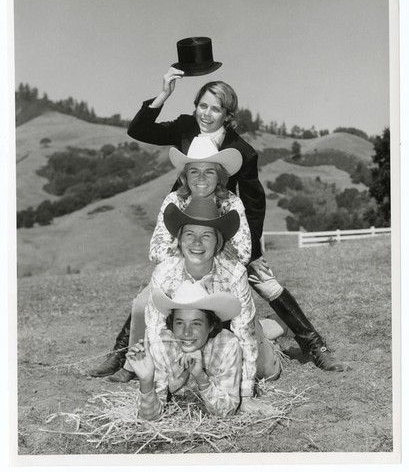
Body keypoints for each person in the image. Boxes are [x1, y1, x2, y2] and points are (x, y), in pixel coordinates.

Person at [89, 68, 345, 378]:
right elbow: (139, 130)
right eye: (203, 106)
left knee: (264, 280)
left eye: (216, 108)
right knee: (158, 284)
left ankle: (314, 346)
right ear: (195, 105)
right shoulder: (185, 127)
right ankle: (123, 354)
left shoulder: (242, 151)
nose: (207, 114)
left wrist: (254, 250)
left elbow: (254, 202)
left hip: (224, 222)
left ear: (228, 114)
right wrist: (164, 94)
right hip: (184, 216)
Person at [111, 198, 284, 417]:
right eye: (190, 234)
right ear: (180, 240)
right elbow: (155, 332)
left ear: (218, 242)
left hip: (229, 329)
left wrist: (245, 396)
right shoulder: (164, 272)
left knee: (267, 370)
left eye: (207, 235)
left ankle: (276, 326)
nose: (197, 243)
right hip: (186, 329)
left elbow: (244, 333)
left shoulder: (235, 272)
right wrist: (160, 380)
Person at [126, 280, 244, 420]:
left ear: (211, 325)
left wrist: (202, 379)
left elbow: (227, 412)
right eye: (180, 323)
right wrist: (146, 381)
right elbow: (150, 417)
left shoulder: (228, 345)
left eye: (196, 324)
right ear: (171, 324)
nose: (186, 332)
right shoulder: (160, 346)